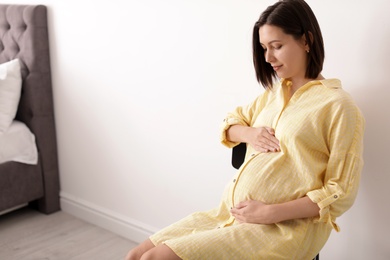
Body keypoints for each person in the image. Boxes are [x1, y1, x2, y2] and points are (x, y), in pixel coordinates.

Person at [125, 0, 365, 259]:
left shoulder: (338, 106)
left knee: (154, 258)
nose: (268, 58)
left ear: (306, 40)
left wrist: (269, 213)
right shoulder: (273, 94)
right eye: (264, 48)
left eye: (277, 46)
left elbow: (340, 192)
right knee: (136, 254)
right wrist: (250, 133)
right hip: (228, 213)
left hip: (282, 230)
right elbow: (229, 124)